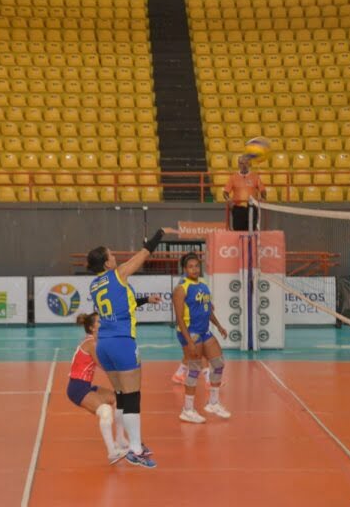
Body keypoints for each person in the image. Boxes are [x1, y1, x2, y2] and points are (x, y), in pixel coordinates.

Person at [86, 227, 176, 468]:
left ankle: (124, 442)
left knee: (121, 395)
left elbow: (121, 305)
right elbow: (144, 254)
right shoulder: (117, 274)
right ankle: (135, 449)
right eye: (112, 255)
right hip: (122, 341)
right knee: (133, 395)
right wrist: (159, 234)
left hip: (104, 344)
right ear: (106, 263)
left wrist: (146, 300)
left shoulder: (94, 286)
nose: (115, 258)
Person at [172, 253, 230, 423]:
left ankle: (213, 403)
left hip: (205, 331)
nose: (194, 269)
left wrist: (218, 326)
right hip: (190, 332)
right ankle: (187, 409)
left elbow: (207, 309)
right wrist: (189, 341)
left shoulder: (203, 285)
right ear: (184, 269)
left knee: (218, 363)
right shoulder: (181, 288)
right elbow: (179, 318)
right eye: (190, 266)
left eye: (197, 266)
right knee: (195, 369)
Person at [67, 313, 129, 464]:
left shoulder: (97, 341)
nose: (103, 323)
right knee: (105, 412)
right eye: (99, 321)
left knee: (119, 398)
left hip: (86, 386)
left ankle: (120, 439)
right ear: (92, 327)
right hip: (77, 388)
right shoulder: (91, 344)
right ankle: (112, 452)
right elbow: (104, 365)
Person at [222, 154, 266, 231]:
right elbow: (225, 192)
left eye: (246, 163)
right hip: (238, 209)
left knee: (251, 231)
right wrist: (229, 201)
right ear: (238, 165)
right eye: (242, 163)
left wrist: (263, 198)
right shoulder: (233, 177)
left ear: (249, 164)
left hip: (252, 208)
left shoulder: (255, 177)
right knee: (238, 232)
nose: (244, 165)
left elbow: (263, 190)